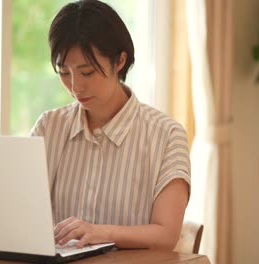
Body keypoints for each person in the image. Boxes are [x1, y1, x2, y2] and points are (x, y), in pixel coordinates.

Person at [30, 0, 190, 250]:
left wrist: (98, 232)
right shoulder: (48, 128)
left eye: (87, 72)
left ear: (119, 61)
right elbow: (21, 214)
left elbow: (166, 235)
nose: (75, 87)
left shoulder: (167, 135)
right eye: (64, 72)